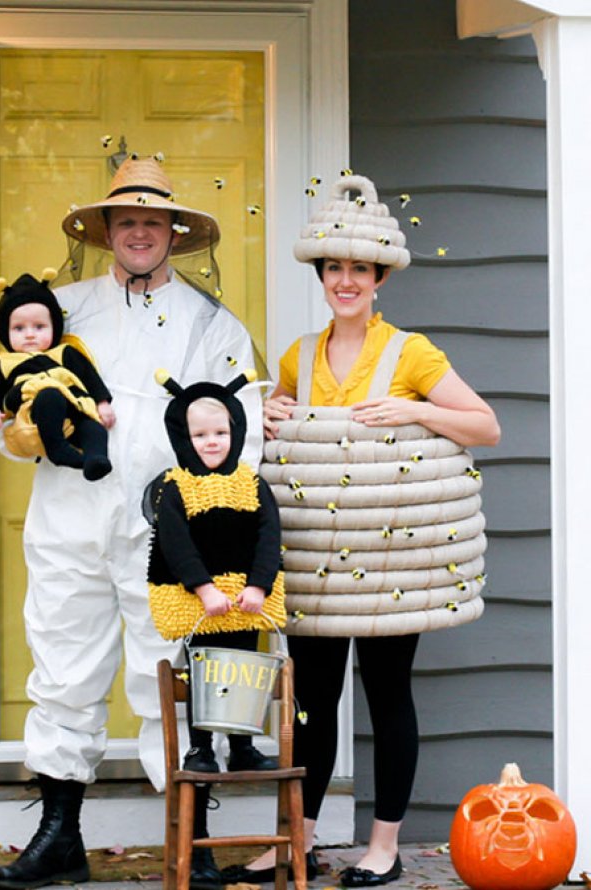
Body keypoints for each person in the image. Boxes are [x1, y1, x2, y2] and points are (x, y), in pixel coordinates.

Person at [221, 173, 500, 889]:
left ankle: (383, 844)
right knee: (312, 698)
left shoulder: (410, 354)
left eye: (359, 270)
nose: (346, 281)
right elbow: (266, 433)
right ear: (323, 275)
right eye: (334, 268)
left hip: (387, 564)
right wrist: (268, 411)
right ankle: (300, 841)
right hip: (315, 559)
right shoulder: (298, 354)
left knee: (387, 692)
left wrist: (419, 413)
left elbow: (485, 425)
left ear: (379, 277)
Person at [0, 158, 263, 890]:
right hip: (69, 517)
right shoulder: (62, 311)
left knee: (168, 675)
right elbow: (14, 389)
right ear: (107, 230)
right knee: (63, 669)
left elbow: (244, 427)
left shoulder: (213, 325)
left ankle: (191, 843)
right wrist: (14, 423)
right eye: (126, 220)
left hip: (165, 533)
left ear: (174, 232)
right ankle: (59, 837)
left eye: (152, 220)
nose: (139, 232)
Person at [147, 369, 286, 888]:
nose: (212, 442)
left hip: (245, 601)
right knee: (207, 672)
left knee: (246, 669)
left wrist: (258, 585)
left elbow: (268, 537)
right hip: (204, 606)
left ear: (236, 434)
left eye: (221, 433)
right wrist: (203, 588)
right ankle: (204, 744)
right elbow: (175, 542)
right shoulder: (176, 487)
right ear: (185, 437)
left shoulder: (251, 484)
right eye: (201, 434)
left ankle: (244, 742)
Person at [0, 270, 114, 480]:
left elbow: (89, 376)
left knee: (93, 428)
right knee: (49, 395)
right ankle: (57, 448)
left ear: (54, 327)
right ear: (5, 332)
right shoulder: (4, 363)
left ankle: (94, 460)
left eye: (39, 326)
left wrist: (102, 402)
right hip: (31, 406)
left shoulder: (64, 353)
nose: (29, 334)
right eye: (19, 328)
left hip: (72, 404)